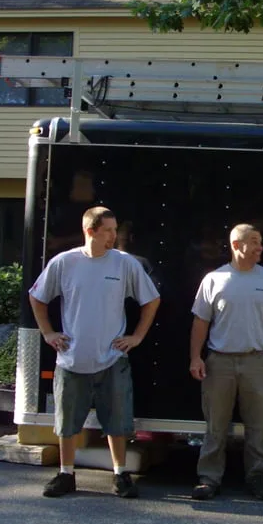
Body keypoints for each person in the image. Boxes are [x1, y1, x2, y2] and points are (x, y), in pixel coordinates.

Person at [29, 206, 160, 499]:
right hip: (72, 358)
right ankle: (66, 474)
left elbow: (151, 300)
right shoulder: (64, 263)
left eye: (115, 230)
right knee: (66, 421)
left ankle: (120, 474)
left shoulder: (124, 264)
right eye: (109, 231)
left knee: (117, 420)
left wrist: (137, 336)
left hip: (112, 358)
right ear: (91, 231)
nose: (115, 236)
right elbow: (36, 297)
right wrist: (48, 333)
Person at [189, 223, 263, 501]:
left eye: (260, 242)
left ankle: (258, 478)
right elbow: (201, 322)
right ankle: (209, 479)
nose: (260, 247)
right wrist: (195, 357)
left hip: (255, 362)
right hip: (218, 363)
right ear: (237, 245)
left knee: (258, 425)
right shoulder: (214, 279)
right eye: (255, 242)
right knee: (215, 425)